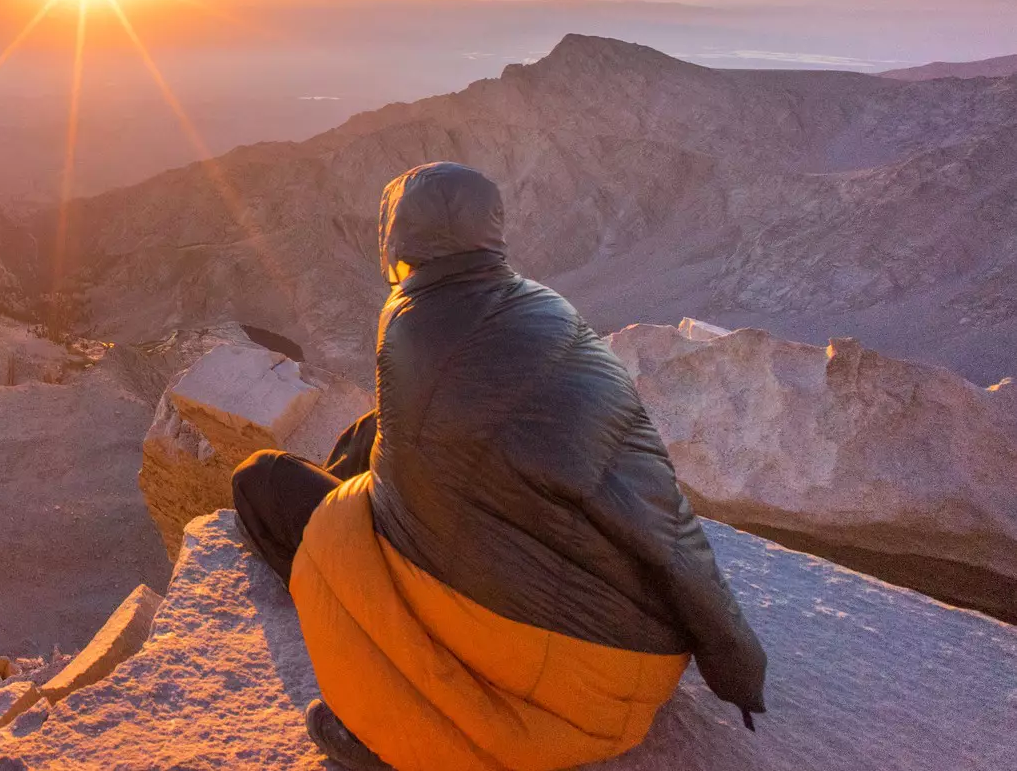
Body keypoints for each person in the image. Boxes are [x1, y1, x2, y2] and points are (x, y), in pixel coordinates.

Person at [231, 162, 766, 771]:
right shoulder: (548, 309)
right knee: (376, 433)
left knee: (264, 481)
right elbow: (665, 520)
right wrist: (736, 664)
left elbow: (399, 499)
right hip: (644, 659)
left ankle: (387, 720)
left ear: (397, 238)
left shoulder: (408, 323)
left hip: (561, 688)